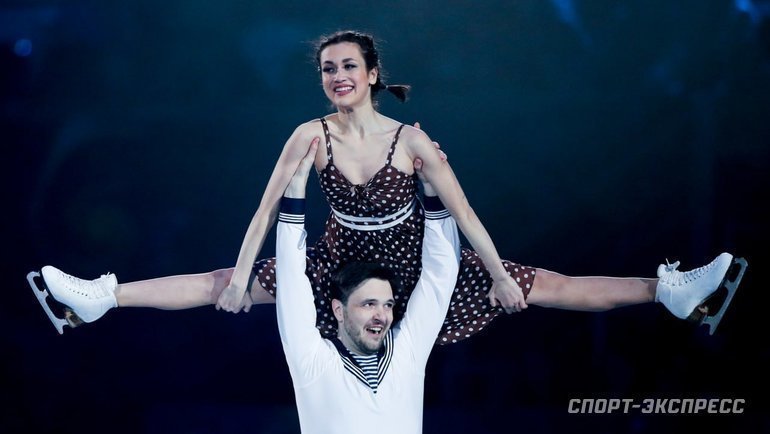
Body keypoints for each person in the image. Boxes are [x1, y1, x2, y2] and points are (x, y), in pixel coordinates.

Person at [28, 30, 745, 340]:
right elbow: (264, 212)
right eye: (327, 69)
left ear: (372, 75)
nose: (337, 76)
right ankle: (100, 298)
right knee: (222, 280)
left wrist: (498, 276)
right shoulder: (309, 135)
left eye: (348, 66)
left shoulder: (413, 142)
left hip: (416, 267)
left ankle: (668, 293)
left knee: (544, 284)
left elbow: (466, 215)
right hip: (339, 267)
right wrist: (243, 279)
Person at [276, 139, 459, 433]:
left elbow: (441, 274)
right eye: (368, 304)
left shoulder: (407, 352)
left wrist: (431, 185)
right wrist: (296, 188)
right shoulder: (312, 359)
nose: (381, 315)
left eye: (387, 305)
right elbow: (290, 279)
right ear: (339, 309)